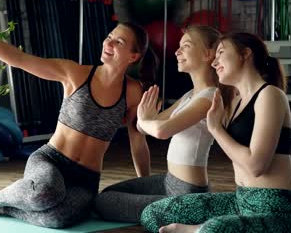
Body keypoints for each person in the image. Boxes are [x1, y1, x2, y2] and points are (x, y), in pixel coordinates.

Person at [0, 4, 151, 228]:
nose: (108, 43)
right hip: (51, 160)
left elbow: (138, 141)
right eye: (110, 36)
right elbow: (18, 59)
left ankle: (5, 207)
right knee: (44, 192)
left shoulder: (132, 92)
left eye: (119, 42)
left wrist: (145, 185)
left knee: (59, 219)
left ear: (133, 56)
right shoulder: (75, 74)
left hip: (85, 179)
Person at [141, 32, 291, 233]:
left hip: (278, 209)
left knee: (217, 228)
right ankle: (199, 230)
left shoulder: (270, 95)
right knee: (153, 214)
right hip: (240, 200)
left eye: (220, 52)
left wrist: (216, 129)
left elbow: (256, 165)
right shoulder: (235, 101)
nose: (214, 62)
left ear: (245, 54)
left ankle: (196, 230)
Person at [94, 26, 231, 223]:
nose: (177, 51)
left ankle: (191, 211)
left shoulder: (210, 97)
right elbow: (143, 128)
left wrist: (146, 119)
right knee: (109, 192)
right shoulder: (190, 96)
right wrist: (146, 119)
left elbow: (160, 130)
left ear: (208, 54)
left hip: (187, 191)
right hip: (169, 181)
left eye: (186, 46)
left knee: (104, 203)